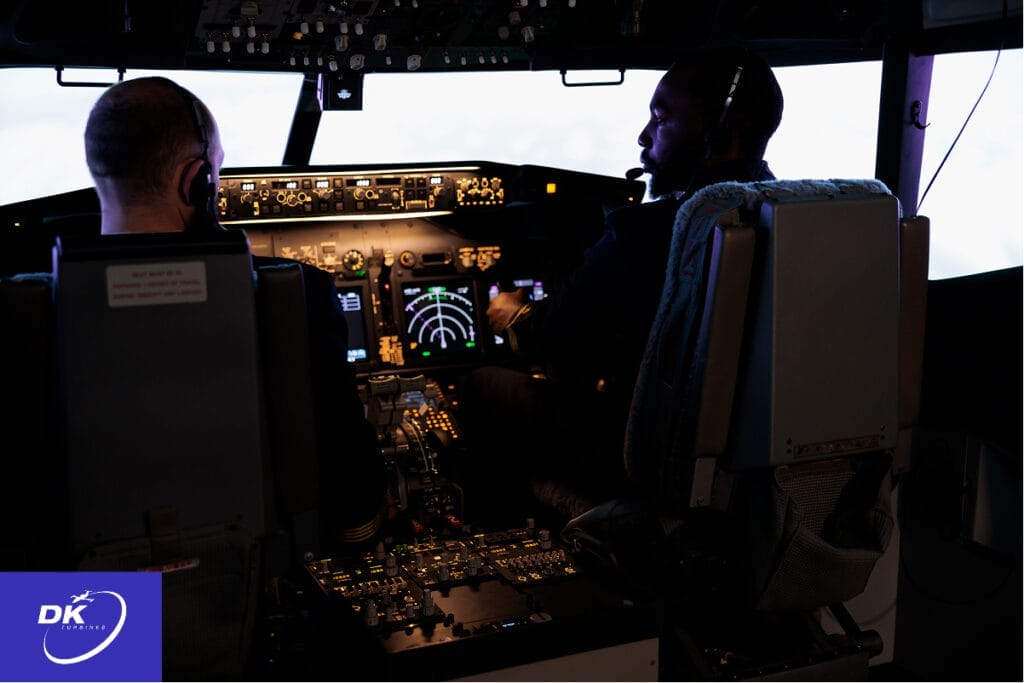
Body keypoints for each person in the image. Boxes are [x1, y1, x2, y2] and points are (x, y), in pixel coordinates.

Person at [458, 45, 784, 525]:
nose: (643, 136)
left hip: (646, 456)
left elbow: (551, 337)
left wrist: (516, 316)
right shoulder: (792, 220)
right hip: (754, 468)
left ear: (715, 135)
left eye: (661, 118)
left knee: (483, 386)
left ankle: (500, 542)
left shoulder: (649, 234)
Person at [83, 76, 387, 546]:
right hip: (260, 582)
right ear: (197, 180)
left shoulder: (31, 307)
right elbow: (353, 498)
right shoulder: (295, 293)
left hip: (83, 590)